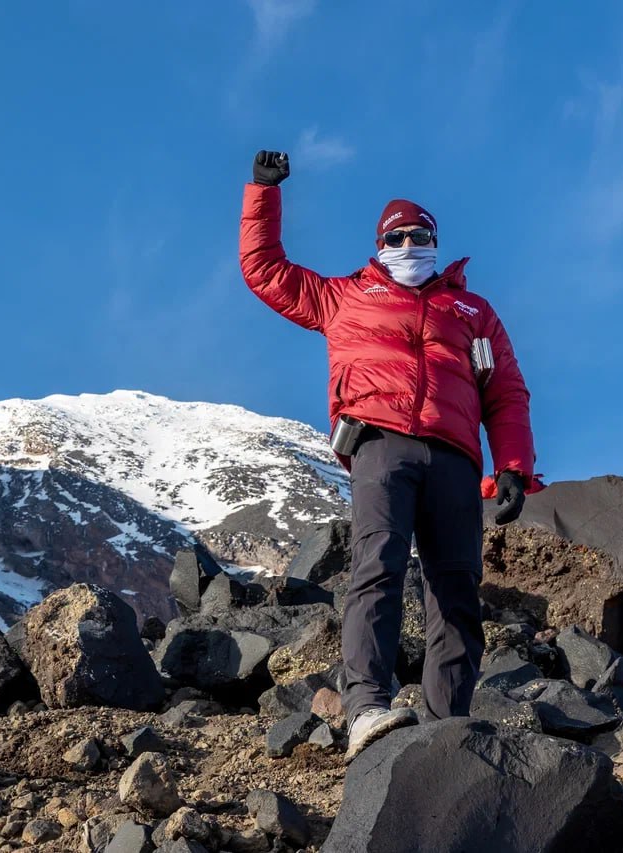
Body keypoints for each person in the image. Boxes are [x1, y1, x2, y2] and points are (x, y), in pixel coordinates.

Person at [239, 150, 538, 763]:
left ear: (435, 241)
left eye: (419, 235)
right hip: (380, 443)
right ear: (380, 244)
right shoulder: (345, 296)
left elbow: (504, 391)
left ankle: (446, 722)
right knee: (378, 566)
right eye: (396, 237)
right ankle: (367, 707)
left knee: (456, 588)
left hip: (455, 457)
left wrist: (512, 466)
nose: (409, 243)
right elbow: (264, 269)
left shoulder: (472, 311)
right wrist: (263, 193)